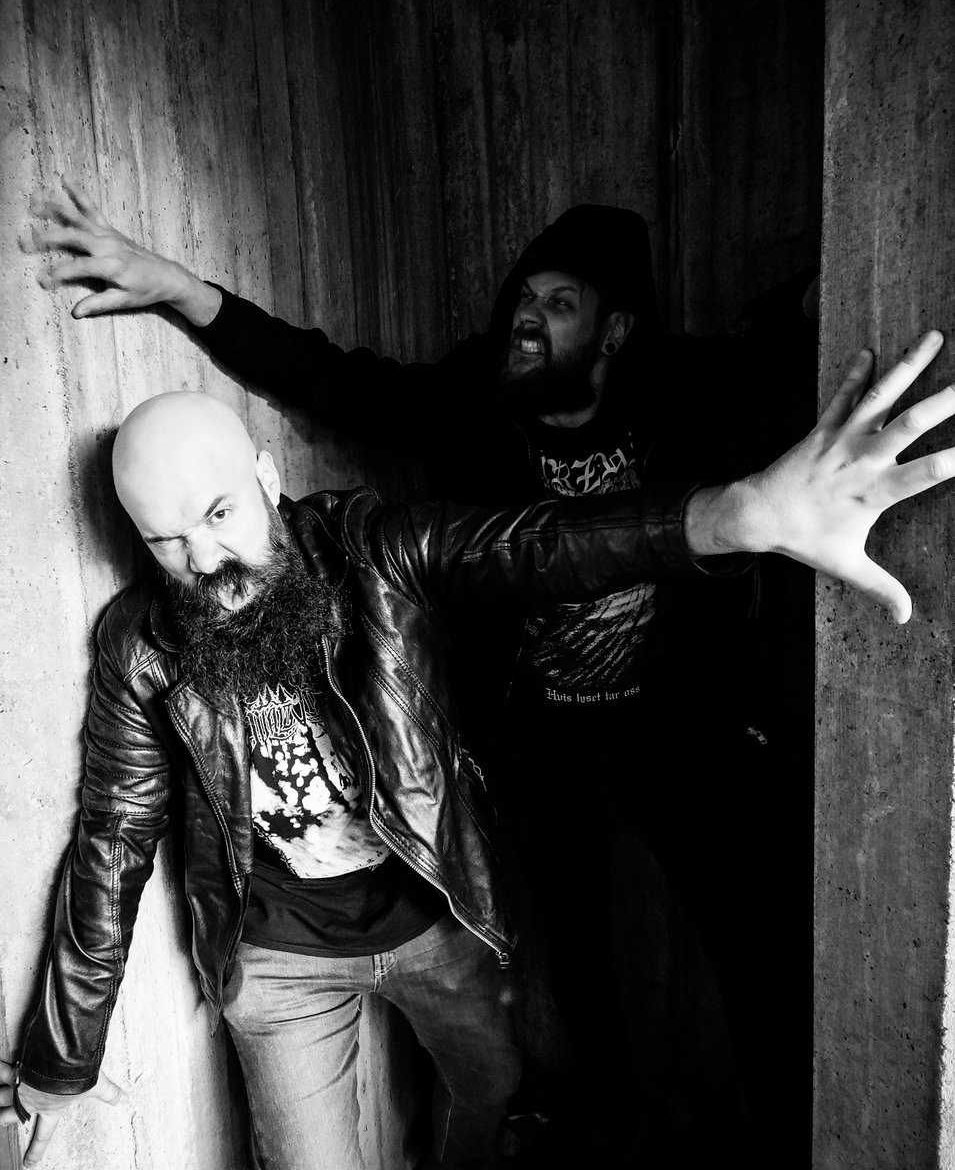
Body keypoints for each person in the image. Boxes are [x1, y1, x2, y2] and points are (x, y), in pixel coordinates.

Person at [18, 180, 925, 1160]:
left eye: (220, 515)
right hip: (403, 859)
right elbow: (113, 836)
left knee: (555, 1059)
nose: (204, 562)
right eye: (165, 539)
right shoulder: (148, 640)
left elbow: (532, 545)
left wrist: (743, 512)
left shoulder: (384, 548)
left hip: (535, 832)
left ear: (268, 482)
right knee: (547, 1009)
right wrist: (58, 1067)